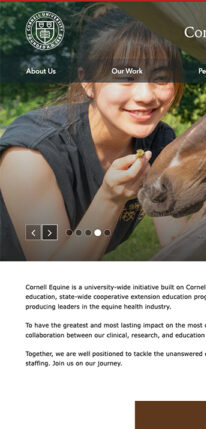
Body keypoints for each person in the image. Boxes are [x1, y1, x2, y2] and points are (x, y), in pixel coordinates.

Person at [0, 5, 185, 260]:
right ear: (88, 82)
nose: (146, 96)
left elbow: (177, 238)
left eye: (161, 77)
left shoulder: (159, 142)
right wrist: (109, 199)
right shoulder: (30, 156)